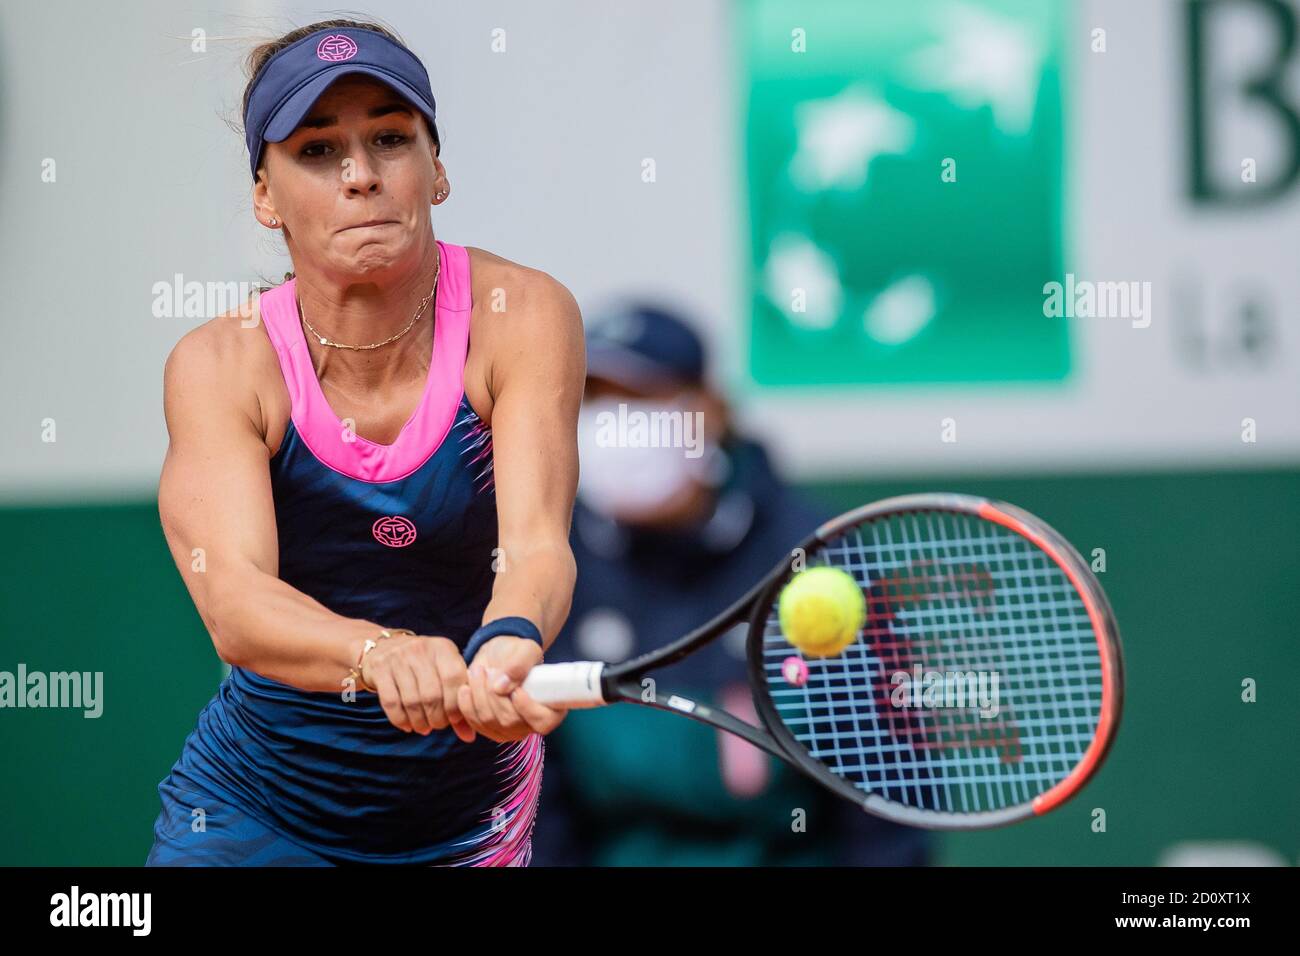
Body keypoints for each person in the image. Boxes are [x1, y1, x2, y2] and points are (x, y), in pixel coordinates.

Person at [146, 19, 584, 866]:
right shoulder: (219, 365)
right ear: (265, 197)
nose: (360, 175)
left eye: (390, 138)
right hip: (253, 818)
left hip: (468, 826)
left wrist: (508, 638)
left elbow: (536, 544)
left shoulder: (522, 314)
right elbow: (233, 603)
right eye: (317, 151)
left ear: (437, 168)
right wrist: (379, 653)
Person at [530, 303, 931, 866]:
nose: (615, 424)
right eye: (594, 400)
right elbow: (541, 801)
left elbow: (889, 790)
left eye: (642, 398)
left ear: (709, 411)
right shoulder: (551, 566)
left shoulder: (815, 555)